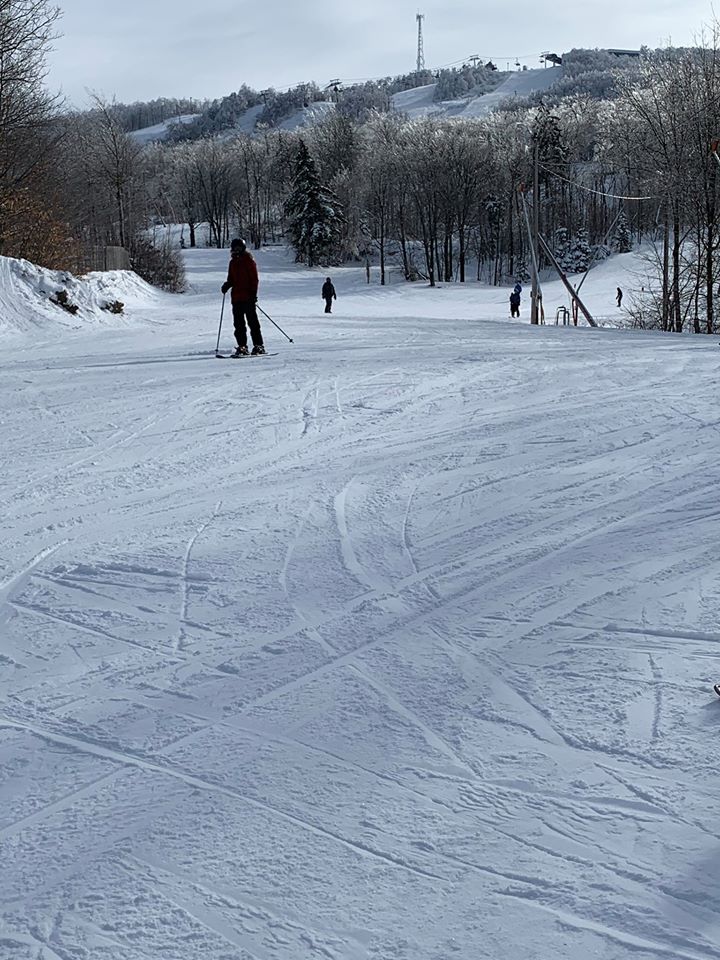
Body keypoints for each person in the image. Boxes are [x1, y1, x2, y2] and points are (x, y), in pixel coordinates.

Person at [221, 238, 265, 356]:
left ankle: (258, 345)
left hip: (248, 297)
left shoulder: (249, 261)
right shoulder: (233, 262)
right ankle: (242, 346)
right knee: (239, 325)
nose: (237, 250)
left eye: (239, 248)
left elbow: (254, 279)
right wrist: (227, 285)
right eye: (235, 248)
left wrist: (253, 294)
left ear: (243, 248)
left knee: (253, 323)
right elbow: (231, 279)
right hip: (236, 298)